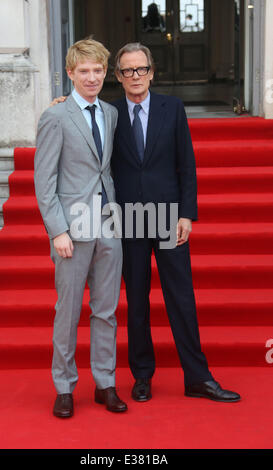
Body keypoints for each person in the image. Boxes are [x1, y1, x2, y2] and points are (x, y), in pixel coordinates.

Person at [111, 42, 241, 403]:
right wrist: (61, 103)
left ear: (152, 72)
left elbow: (187, 164)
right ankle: (142, 376)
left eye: (141, 69)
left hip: (169, 217)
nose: (135, 76)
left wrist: (186, 213)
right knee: (136, 301)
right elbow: (81, 119)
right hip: (130, 219)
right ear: (118, 76)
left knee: (181, 298)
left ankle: (197, 377)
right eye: (127, 70)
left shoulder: (173, 108)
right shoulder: (110, 113)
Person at [34, 38, 127, 418]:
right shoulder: (55, 116)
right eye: (83, 71)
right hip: (71, 229)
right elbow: (44, 180)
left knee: (106, 311)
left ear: (106, 73)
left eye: (98, 70)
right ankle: (64, 387)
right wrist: (57, 230)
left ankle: (105, 383)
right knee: (68, 311)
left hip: (109, 223)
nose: (91, 77)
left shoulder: (110, 112)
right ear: (70, 73)